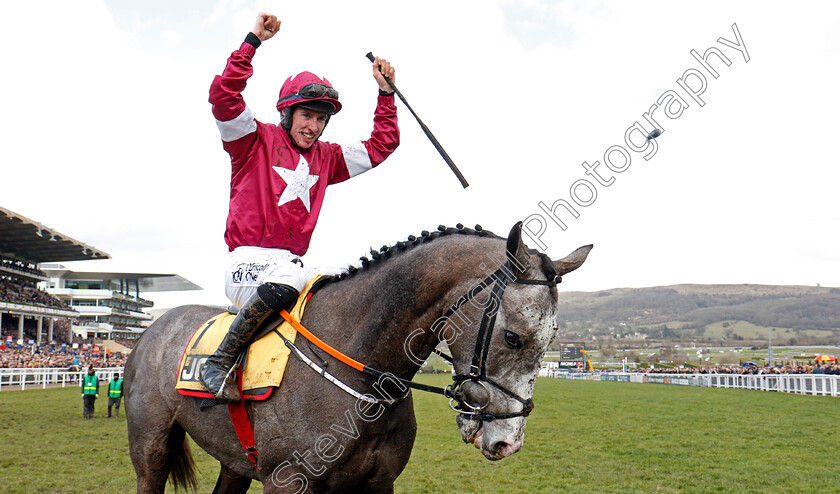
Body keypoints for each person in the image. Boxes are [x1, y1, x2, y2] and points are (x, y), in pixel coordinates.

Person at [200, 12, 400, 402]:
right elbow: (223, 96)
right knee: (292, 278)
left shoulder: (328, 158)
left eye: (321, 120)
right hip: (246, 264)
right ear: (288, 113)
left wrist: (386, 94)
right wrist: (251, 43)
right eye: (307, 115)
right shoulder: (251, 140)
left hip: (289, 264)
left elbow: (381, 146)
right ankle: (219, 361)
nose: (313, 126)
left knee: (353, 276)